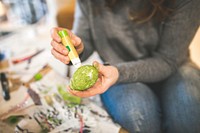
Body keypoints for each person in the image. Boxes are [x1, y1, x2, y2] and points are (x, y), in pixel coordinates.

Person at [50, 0, 200, 132]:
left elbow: (168, 60)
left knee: (188, 104)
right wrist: (75, 50)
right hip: (116, 72)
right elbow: (86, 42)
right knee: (137, 112)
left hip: (172, 67)